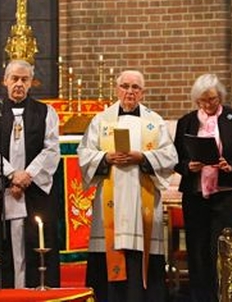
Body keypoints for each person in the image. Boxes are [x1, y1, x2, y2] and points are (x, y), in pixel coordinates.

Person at [77, 69, 178, 302]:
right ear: (116, 89)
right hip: (110, 202)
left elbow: (170, 157)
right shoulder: (101, 120)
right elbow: (84, 154)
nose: (129, 92)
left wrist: (142, 158)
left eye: (135, 88)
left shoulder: (154, 122)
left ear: (142, 93)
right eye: (125, 86)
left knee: (139, 254)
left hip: (141, 200)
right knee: (110, 251)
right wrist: (106, 158)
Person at [0, 59, 61, 288]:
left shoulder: (45, 112)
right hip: (4, 192)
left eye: (24, 79)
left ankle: (35, 290)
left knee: (34, 241)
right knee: (2, 245)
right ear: (5, 81)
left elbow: (51, 148)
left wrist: (28, 176)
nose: (19, 84)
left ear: (31, 83)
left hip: (34, 191)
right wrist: (12, 175)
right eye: (14, 78)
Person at [173, 74, 232, 302]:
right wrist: (189, 165)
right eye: (203, 101)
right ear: (196, 100)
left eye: (213, 100)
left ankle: (223, 295)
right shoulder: (187, 122)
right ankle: (200, 296)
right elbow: (175, 159)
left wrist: (231, 166)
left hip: (225, 194)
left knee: (219, 247)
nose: (209, 105)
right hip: (195, 194)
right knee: (197, 248)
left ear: (221, 97)